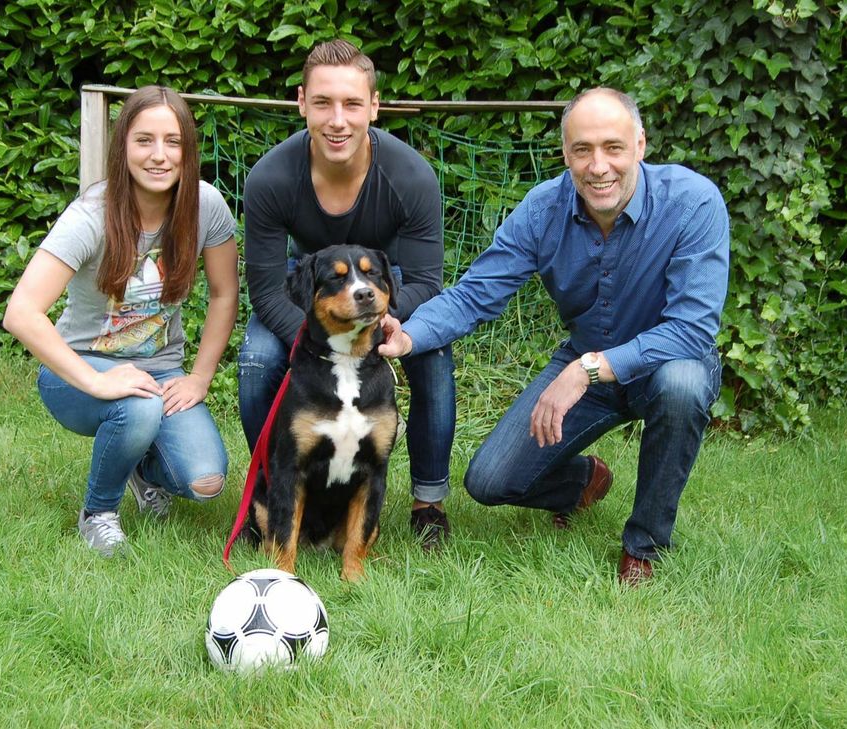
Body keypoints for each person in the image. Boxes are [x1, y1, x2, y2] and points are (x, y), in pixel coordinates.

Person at [379, 88, 729, 584]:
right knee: (489, 481)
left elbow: (691, 330)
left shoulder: (693, 203)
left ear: (641, 146)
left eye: (613, 147)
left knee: (683, 385)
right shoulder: (543, 210)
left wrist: (588, 369)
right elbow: (476, 294)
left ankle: (645, 547)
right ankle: (585, 479)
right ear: (565, 153)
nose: (598, 165)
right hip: (585, 360)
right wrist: (407, 336)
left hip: (665, 362)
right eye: (582, 150)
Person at [238, 39, 457, 549]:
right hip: (307, 291)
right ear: (301, 103)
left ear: (374, 107)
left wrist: (389, 323)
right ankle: (278, 487)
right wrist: (322, 339)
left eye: (353, 104)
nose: (338, 119)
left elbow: (426, 281)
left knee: (433, 349)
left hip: (386, 284)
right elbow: (268, 288)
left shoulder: (411, 177)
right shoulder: (270, 177)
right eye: (323, 103)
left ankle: (428, 503)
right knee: (256, 356)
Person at [3, 85, 240, 556]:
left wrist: (199, 376)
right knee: (136, 406)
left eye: (172, 142)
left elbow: (224, 292)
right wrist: (96, 381)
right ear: (123, 147)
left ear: (188, 149)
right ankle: (98, 512)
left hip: (162, 372)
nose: (159, 155)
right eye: (144, 140)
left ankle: (136, 464)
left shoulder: (205, 204)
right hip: (78, 370)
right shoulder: (92, 215)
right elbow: (21, 312)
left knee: (206, 481)